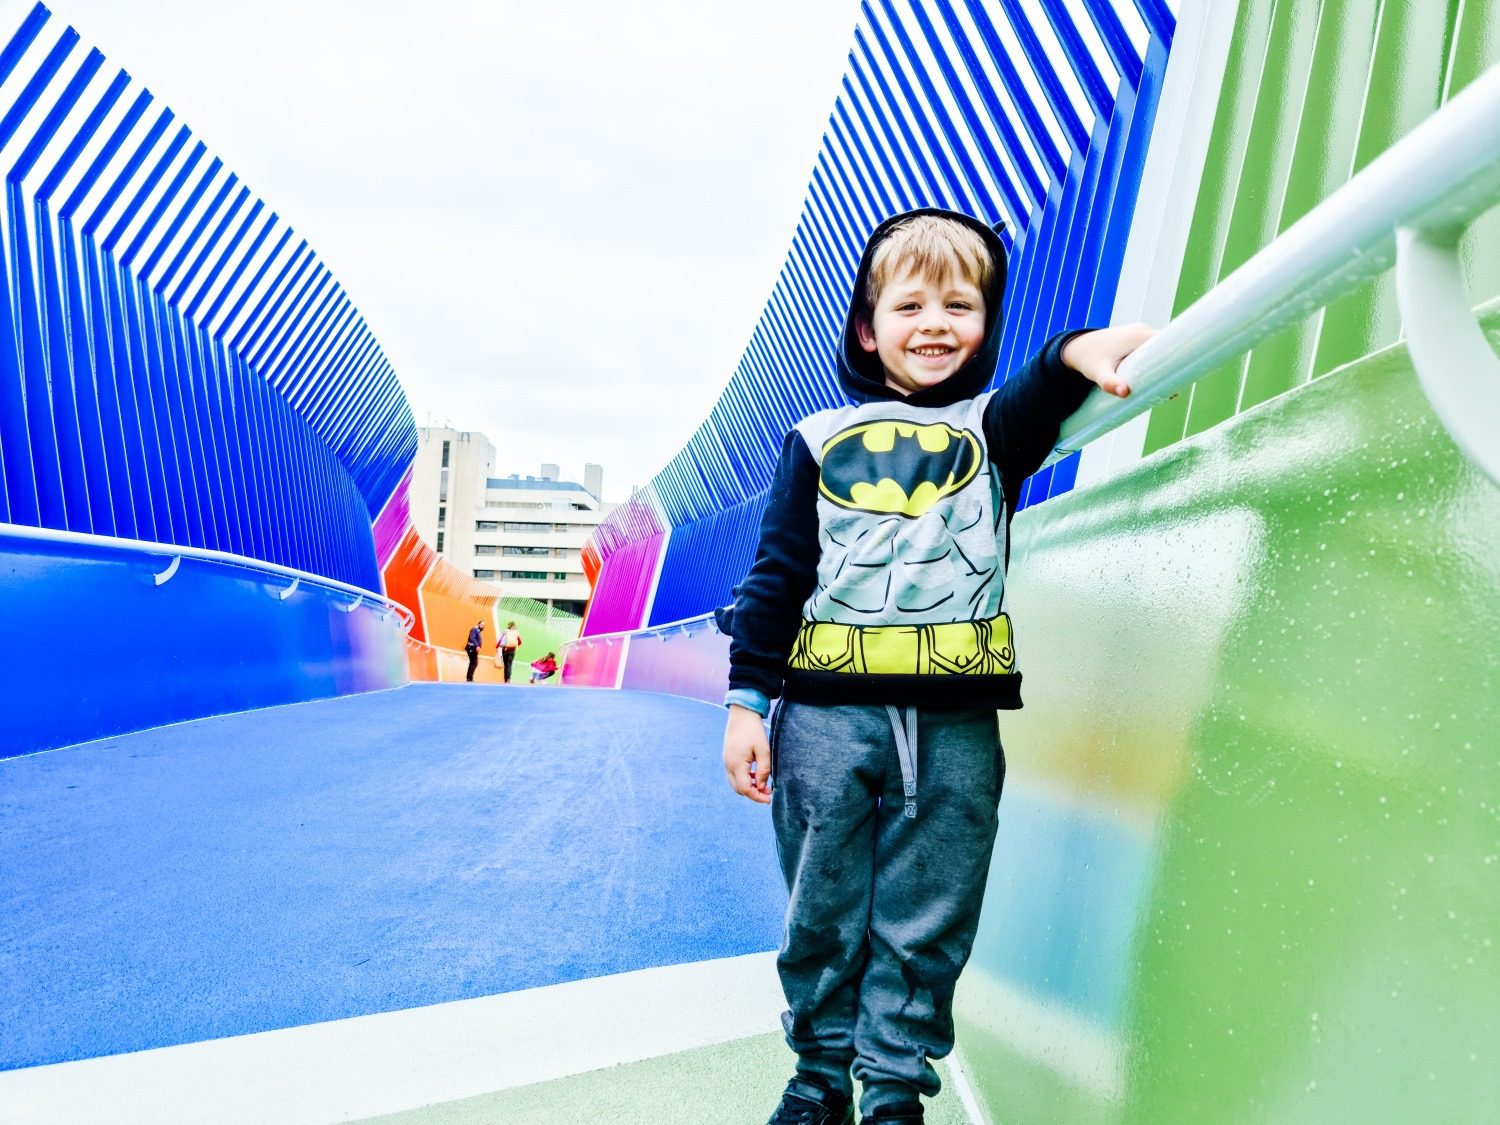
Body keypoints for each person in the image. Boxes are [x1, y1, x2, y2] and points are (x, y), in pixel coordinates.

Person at [720, 209, 1152, 1125]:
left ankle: (892, 1091)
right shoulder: (816, 438)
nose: (936, 322)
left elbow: (1043, 383)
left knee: (931, 913)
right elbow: (776, 575)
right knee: (820, 908)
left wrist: (1078, 351)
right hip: (825, 721)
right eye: (910, 303)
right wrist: (747, 702)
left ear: (986, 326)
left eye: (961, 303)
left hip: (957, 729)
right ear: (868, 329)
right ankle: (818, 1077)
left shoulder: (992, 431)